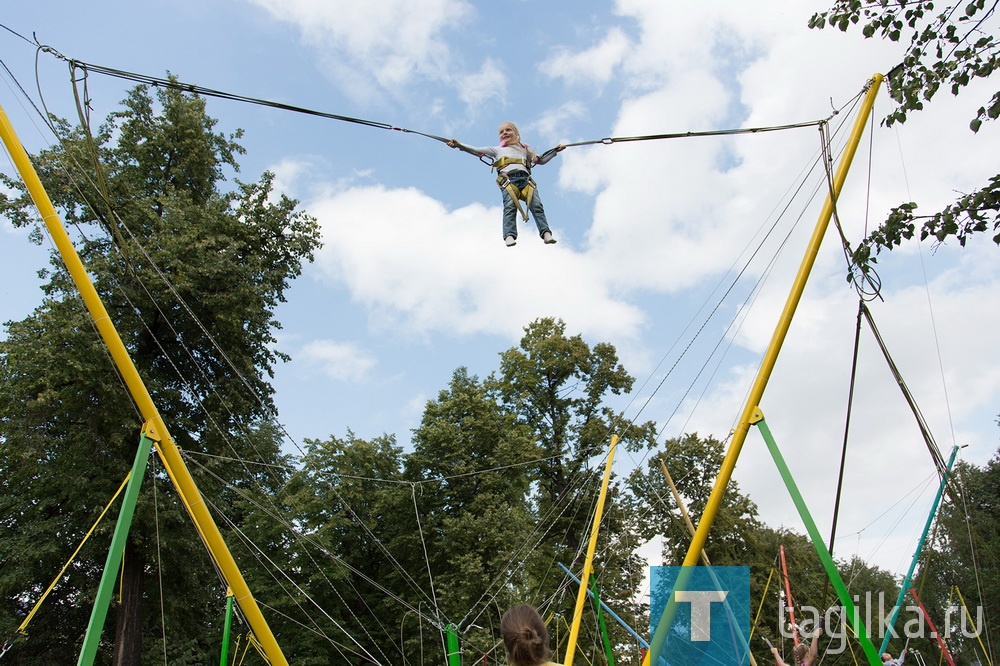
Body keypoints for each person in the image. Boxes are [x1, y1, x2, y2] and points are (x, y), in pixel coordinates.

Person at [448, 122, 564, 247]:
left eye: (508, 130)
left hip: (526, 181)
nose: (505, 133)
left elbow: (541, 160)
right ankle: (509, 235)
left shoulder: (524, 151)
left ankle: (546, 233)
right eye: (501, 132)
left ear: (516, 133)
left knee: (537, 206)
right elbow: (476, 150)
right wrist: (458, 145)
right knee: (510, 207)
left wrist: (555, 151)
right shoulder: (497, 150)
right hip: (509, 181)